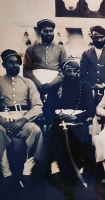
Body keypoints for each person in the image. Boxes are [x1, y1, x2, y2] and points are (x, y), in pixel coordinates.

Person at [44, 60, 95, 187]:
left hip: (78, 123)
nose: (72, 73)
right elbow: (47, 109)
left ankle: (79, 169)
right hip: (59, 122)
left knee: (81, 137)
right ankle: (55, 170)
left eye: (75, 71)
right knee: (55, 136)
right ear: (63, 72)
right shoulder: (56, 88)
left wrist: (75, 118)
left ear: (78, 72)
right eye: (69, 71)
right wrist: (58, 116)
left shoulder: (85, 86)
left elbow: (90, 109)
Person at [0, 49, 44, 186]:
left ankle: (27, 170)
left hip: (23, 118)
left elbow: (37, 105)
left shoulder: (28, 82)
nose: (15, 65)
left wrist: (23, 120)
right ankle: (6, 172)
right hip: (2, 119)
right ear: (4, 64)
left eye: (17, 63)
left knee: (36, 131)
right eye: (11, 62)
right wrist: (3, 122)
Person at [23, 19, 68, 97]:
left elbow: (64, 69)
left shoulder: (60, 49)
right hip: (36, 87)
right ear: (40, 32)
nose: (49, 34)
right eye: (45, 31)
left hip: (55, 87)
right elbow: (26, 70)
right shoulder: (31, 48)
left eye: (51, 31)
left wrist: (52, 84)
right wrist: (39, 85)